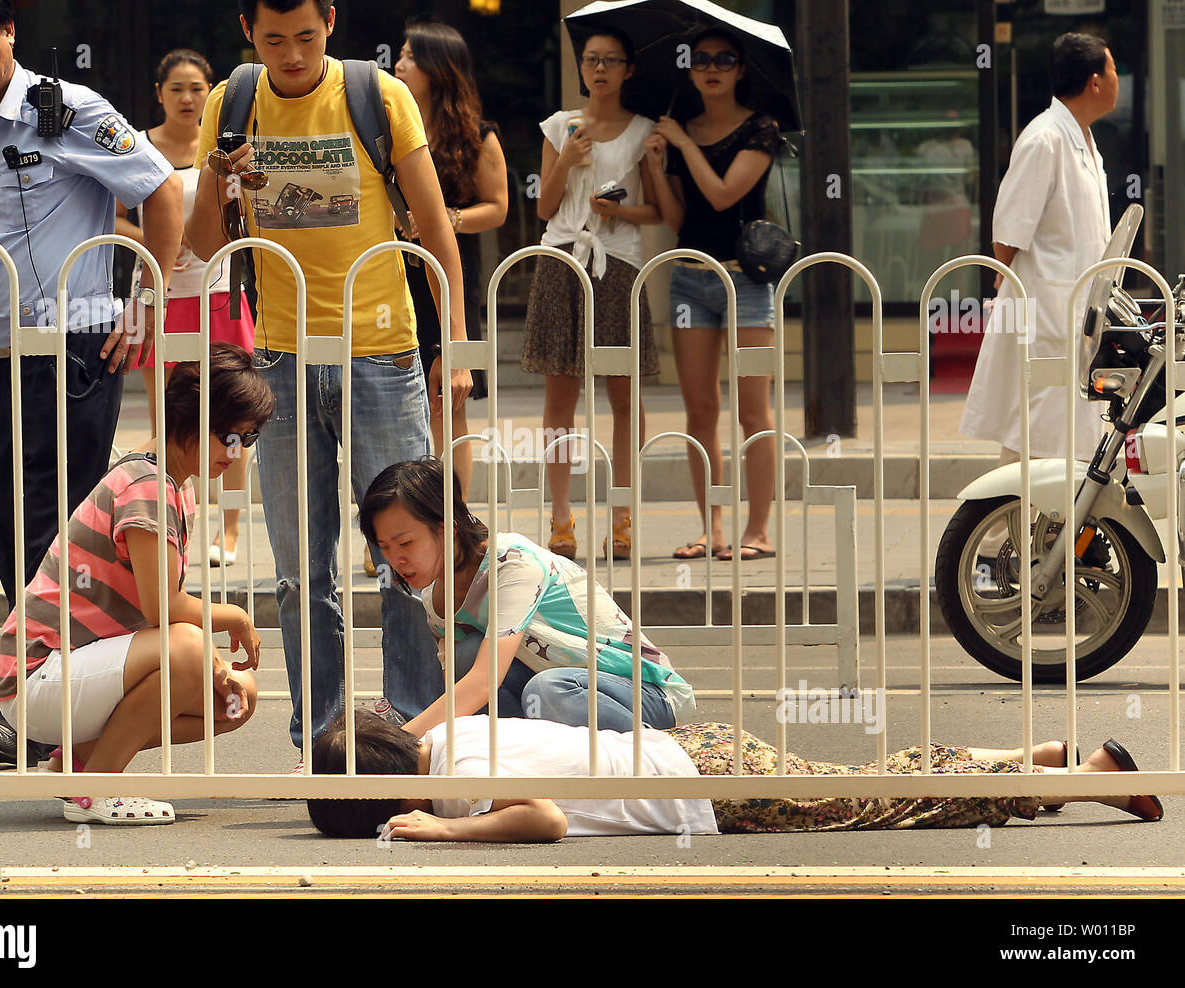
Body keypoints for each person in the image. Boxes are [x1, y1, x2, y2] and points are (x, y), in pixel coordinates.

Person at [185, 0, 472, 765]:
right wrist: (219, 180)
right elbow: (201, 248)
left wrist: (459, 344)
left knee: (405, 554)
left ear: (332, 23)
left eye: (306, 37)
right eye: (274, 38)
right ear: (246, 28)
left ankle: (410, 734)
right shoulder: (233, 102)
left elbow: (435, 226)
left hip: (380, 351)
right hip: (280, 357)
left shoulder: (378, 95)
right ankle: (321, 741)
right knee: (297, 569)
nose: (291, 54)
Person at [0, 0, 183, 766]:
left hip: (71, 347)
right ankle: (43, 699)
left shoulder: (63, 112)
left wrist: (145, 299)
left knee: (53, 532)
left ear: (7, 33)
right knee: (12, 530)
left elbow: (159, 191)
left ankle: (24, 705)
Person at [0, 343, 273, 824]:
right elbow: (164, 609)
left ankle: (76, 762)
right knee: (187, 648)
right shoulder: (147, 487)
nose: (235, 451)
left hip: (73, 674)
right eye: (226, 433)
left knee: (234, 701)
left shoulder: (169, 484)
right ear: (187, 418)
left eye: (246, 438)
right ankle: (97, 791)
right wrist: (238, 618)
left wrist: (219, 662)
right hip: (34, 678)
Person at [306, 710, 1164, 840]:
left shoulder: (456, 782)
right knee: (874, 784)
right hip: (697, 756)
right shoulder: (448, 736)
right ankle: (1038, 765)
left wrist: (446, 830)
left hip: (706, 787)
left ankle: (1083, 776)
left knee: (883, 801)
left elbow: (549, 821)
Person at [359, 458, 695, 737]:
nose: (395, 560)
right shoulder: (436, 599)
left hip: (641, 693)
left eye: (405, 544)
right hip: (557, 691)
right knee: (468, 661)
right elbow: (462, 700)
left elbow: (482, 685)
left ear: (447, 529)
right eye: (385, 548)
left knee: (547, 691)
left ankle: (657, 762)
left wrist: (398, 747)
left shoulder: (513, 562)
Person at [644, 28, 783, 564]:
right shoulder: (681, 130)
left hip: (746, 276)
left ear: (741, 69)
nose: (712, 68)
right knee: (700, 409)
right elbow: (678, 218)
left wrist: (682, 145)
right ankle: (713, 528)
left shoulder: (760, 129)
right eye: (701, 59)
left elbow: (725, 194)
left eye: (724, 59)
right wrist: (658, 165)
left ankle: (760, 528)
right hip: (690, 276)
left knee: (755, 410)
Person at [523, 29, 660, 562]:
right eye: (591, 60)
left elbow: (659, 212)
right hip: (562, 258)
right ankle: (561, 518)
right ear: (581, 66)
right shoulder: (561, 126)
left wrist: (618, 210)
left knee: (624, 395)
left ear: (628, 69)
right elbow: (544, 207)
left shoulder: (645, 131)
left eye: (611, 61)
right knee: (561, 394)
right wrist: (567, 158)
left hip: (618, 261)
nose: (599, 69)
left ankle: (622, 516)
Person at [117, 49, 256, 568]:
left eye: (197, 88)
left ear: (210, 92)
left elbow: (242, 214)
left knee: (234, 415)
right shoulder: (137, 145)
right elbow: (110, 217)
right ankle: (165, 524)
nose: (187, 97)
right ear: (159, 93)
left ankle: (233, 530)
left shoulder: (225, 149)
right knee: (168, 418)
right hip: (157, 293)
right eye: (176, 88)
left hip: (218, 290)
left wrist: (201, 236)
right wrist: (155, 238)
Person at [960, 32, 1116, 463]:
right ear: (1095, 82)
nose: (1117, 78)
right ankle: (1000, 529)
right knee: (1035, 431)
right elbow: (1008, 232)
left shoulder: (1083, 139)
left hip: (1076, 309)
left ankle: (1047, 529)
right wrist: (1003, 293)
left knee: (1065, 431)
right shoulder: (1044, 138)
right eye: (1113, 69)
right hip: (1047, 311)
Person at [394, 18, 509, 499]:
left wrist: (447, 220)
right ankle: (399, 515)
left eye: (410, 56)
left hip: (450, 275)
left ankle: (453, 513)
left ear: (438, 68)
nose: (398, 64)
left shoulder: (476, 136)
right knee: (392, 401)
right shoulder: (387, 129)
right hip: (394, 274)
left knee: (448, 402)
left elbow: (498, 207)